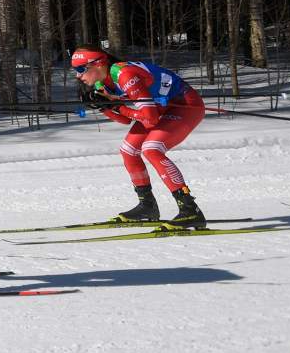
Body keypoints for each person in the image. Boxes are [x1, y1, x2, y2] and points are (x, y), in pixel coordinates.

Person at [72, 44, 207, 229]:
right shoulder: (100, 83)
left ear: (99, 64)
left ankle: (190, 209)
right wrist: (103, 107)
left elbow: (150, 119)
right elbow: (124, 120)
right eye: (75, 70)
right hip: (161, 108)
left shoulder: (125, 75)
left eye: (81, 69)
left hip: (185, 105)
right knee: (128, 149)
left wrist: (117, 106)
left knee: (152, 148)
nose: (78, 75)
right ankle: (147, 206)